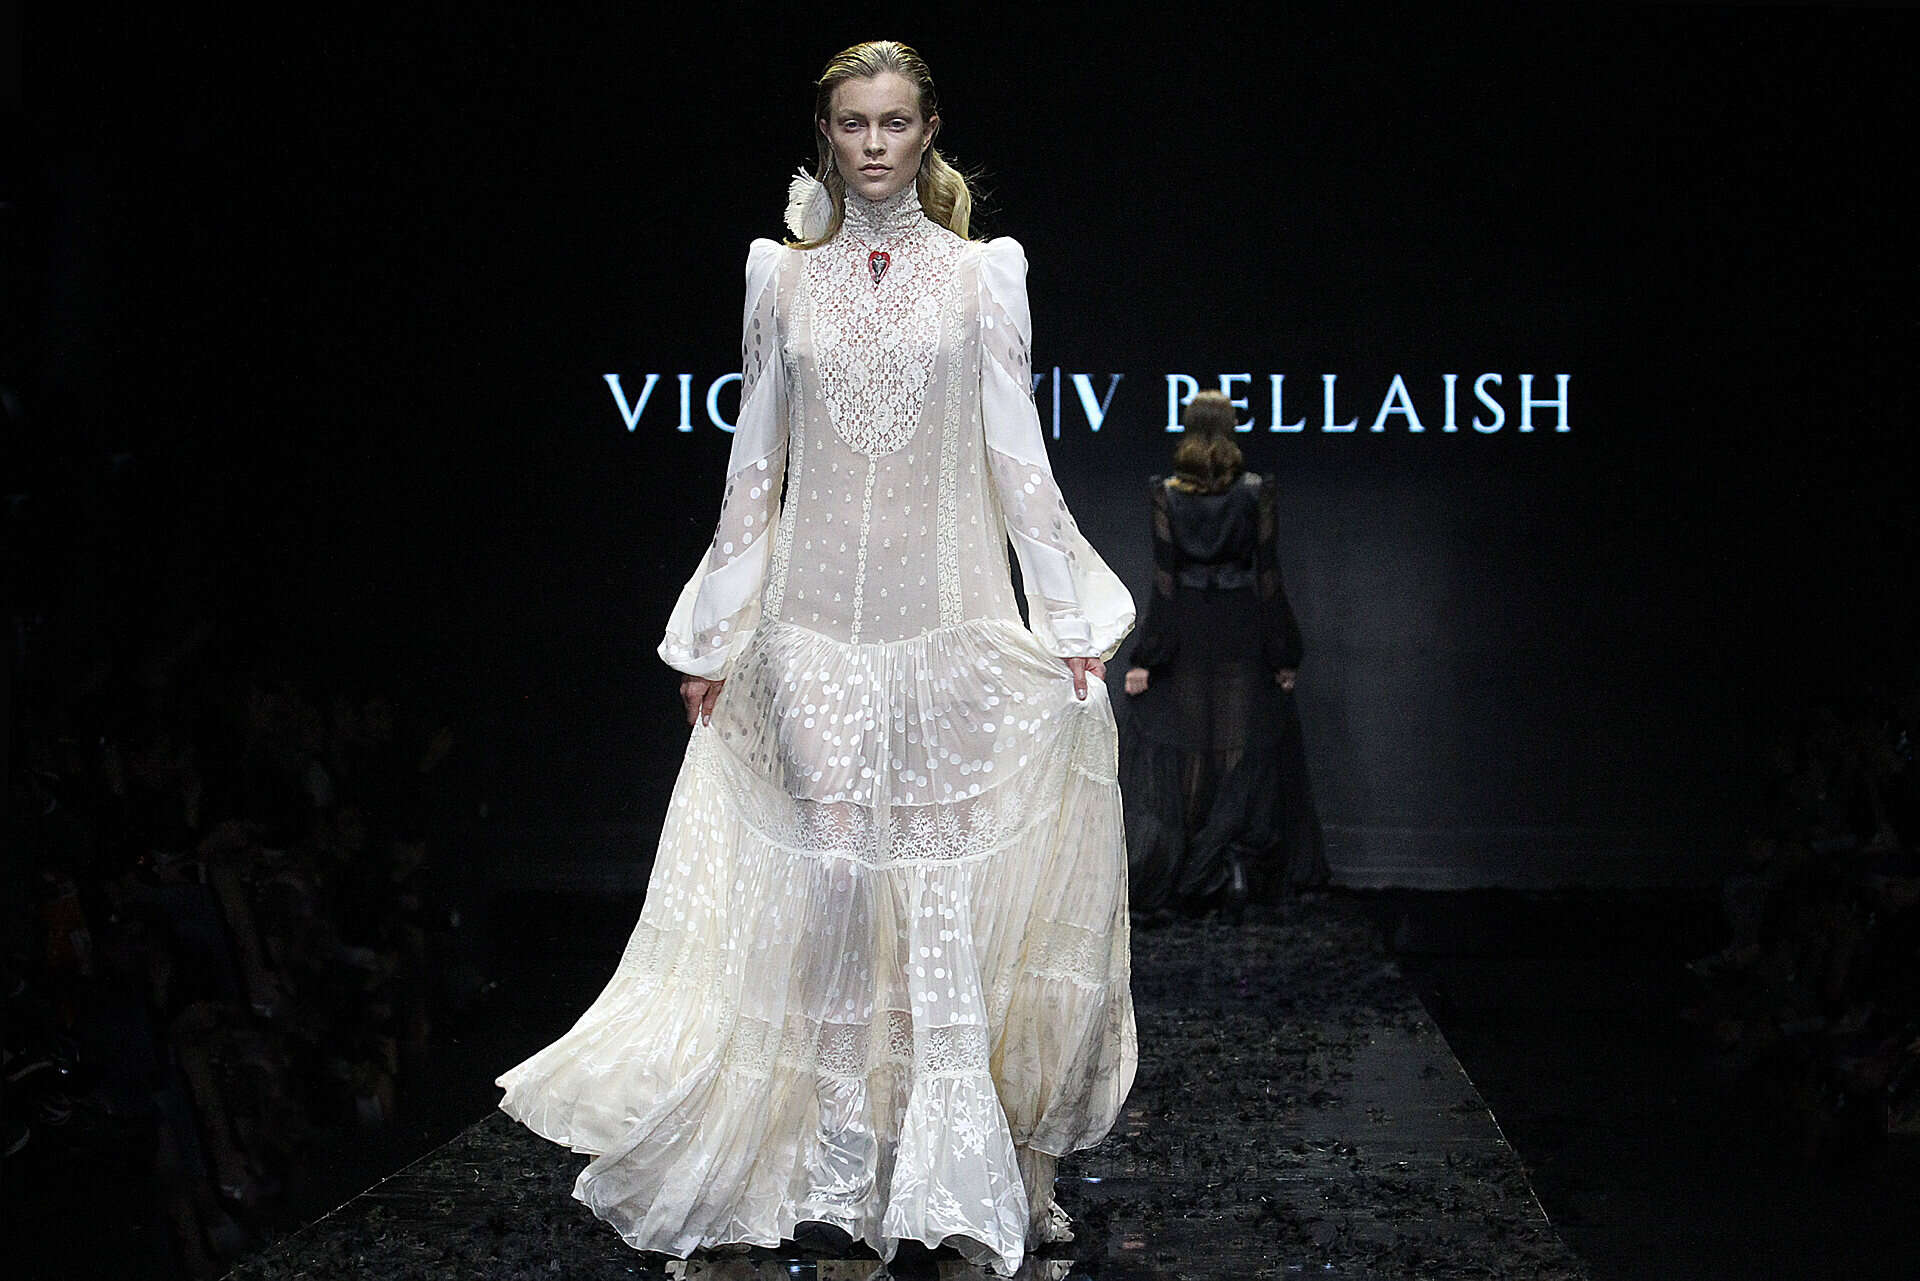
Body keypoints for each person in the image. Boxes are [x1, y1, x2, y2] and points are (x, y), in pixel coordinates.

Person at [495, 41, 1136, 1277]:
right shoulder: (777, 277)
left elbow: (1018, 457)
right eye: (853, 123)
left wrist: (1068, 621)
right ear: (826, 133)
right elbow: (757, 462)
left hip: (951, 628)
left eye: (895, 122)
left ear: (930, 129)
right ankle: (839, 1171)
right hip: (808, 635)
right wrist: (715, 630)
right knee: (839, 884)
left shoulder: (986, 275)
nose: (875, 145)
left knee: (937, 892)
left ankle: (944, 1172)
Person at [1119, 390, 1327, 918]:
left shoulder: (1166, 495)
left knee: (1194, 747)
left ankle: (1195, 869)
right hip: (1241, 625)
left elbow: (1166, 582)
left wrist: (1148, 656)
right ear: (1232, 427)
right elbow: (1267, 576)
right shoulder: (1256, 492)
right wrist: (1283, 652)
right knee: (1237, 746)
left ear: (1187, 428)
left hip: (1189, 627)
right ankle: (1231, 867)